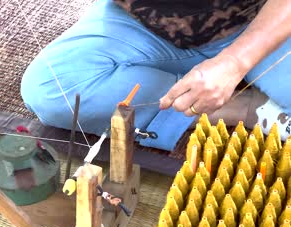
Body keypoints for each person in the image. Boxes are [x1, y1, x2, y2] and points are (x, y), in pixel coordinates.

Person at [20, 0, 290, 151]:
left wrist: (234, 62)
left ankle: (234, 77)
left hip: (262, 19)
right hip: (147, 24)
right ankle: (249, 108)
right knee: (51, 90)